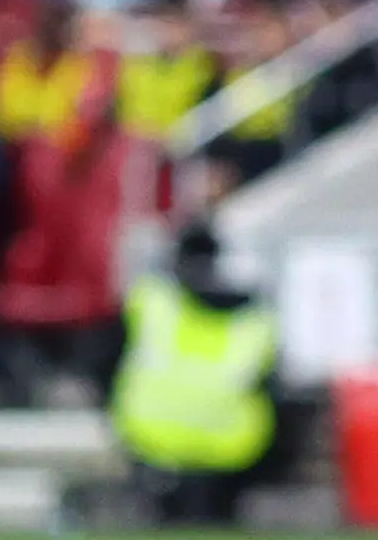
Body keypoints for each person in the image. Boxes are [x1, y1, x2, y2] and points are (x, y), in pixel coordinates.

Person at [111, 223, 276, 524]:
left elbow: (108, 358)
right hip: (230, 441)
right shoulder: (256, 318)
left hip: (154, 435)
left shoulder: (152, 300)